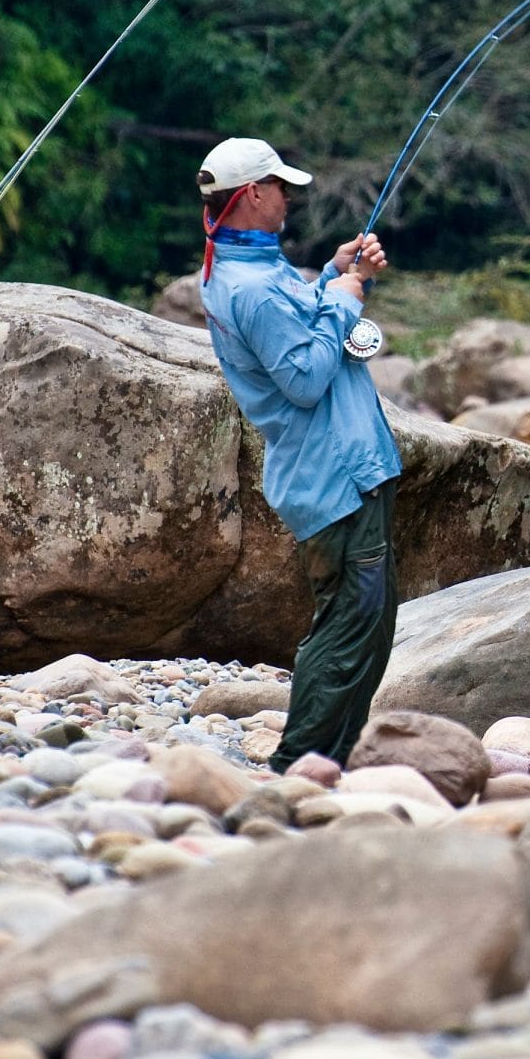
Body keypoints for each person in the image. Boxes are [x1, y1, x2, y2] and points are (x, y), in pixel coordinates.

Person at [195, 136, 401, 770]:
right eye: (281, 185)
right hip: (333, 476)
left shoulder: (256, 267)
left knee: (368, 622)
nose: (289, 196)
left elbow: (299, 323)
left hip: (346, 467)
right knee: (349, 626)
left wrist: (333, 276)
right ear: (254, 194)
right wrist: (349, 294)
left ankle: (330, 762)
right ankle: (299, 764)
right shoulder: (250, 287)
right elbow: (306, 380)